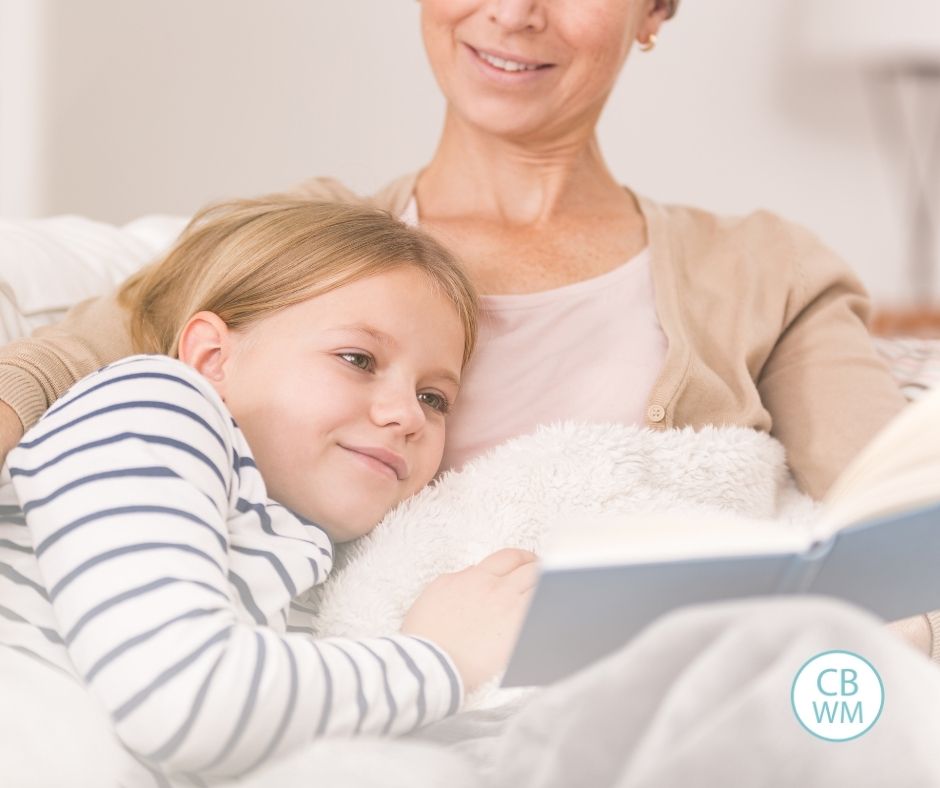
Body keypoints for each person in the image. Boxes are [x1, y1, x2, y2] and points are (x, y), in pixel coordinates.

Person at [0, 3, 932, 647]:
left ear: (654, 12)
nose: (514, 10)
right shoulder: (299, 241)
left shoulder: (764, 270)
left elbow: (905, 519)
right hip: (378, 705)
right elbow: (51, 373)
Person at [0, 198, 538, 784]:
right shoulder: (154, 404)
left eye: (434, 398)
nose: (406, 414)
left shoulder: (312, 571)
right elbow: (185, 700)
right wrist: (443, 657)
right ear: (212, 358)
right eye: (358, 359)